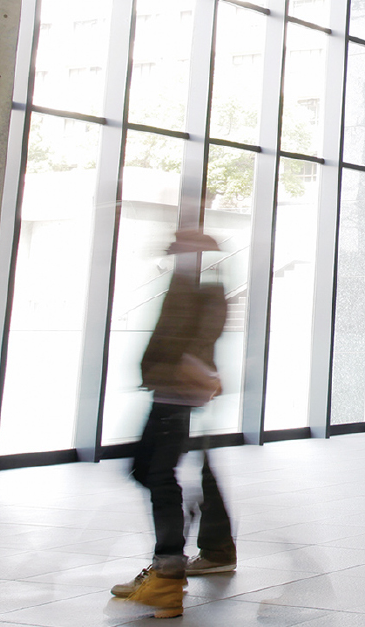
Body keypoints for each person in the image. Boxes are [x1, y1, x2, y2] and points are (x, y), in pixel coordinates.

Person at [110, 228, 237, 618]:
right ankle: (169, 565)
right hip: (170, 390)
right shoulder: (193, 285)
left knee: (159, 478)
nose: (171, 249)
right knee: (147, 471)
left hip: (175, 393)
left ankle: (167, 573)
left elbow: (194, 336)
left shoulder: (198, 288)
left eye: (181, 246)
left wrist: (189, 377)